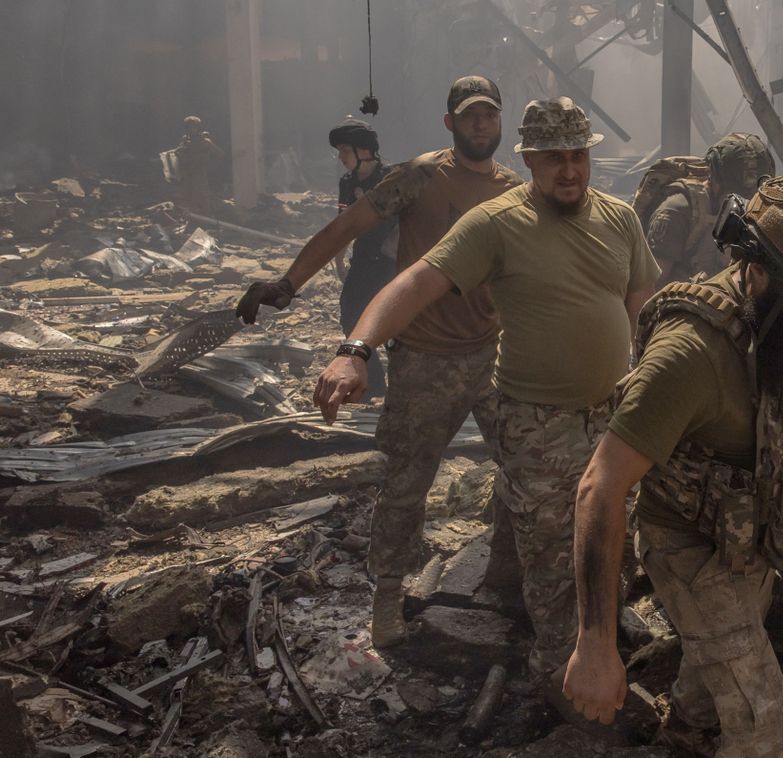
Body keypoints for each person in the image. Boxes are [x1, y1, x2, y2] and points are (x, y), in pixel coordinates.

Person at [311, 96, 660, 692]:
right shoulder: (498, 222)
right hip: (535, 420)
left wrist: (645, 374)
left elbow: (640, 304)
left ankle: (592, 623)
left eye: (578, 155)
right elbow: (415, 282)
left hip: (608, 415)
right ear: (528, 159)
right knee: (552, 548)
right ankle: (557, 666)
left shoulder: (618, 218)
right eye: (554, 158)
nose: (569, 169)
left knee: (611, 528)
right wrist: (356, 350)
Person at [563, 172, 783, 756]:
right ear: (758, 272)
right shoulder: (690, 354)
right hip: (689, 544)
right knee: (763, 723)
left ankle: (685, 731)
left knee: (720, 662)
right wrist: (595, 645)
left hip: (751, 533)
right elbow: (600, 488)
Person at [235, 75, 521, 648]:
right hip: (424, 359)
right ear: (451, 124)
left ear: (500, 121)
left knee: (527, 472)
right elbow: (346, 227)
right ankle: (387, 601)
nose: (480, 124)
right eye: (469, 116)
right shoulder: (420, 175)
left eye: (488, 114)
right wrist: (289, 282)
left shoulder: (515, 189)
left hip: (494, 356)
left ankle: (508, 580)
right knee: (406, 488)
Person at [645, 133, 775, 283]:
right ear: (714, 180)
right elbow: (651, 287)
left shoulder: (755, 209)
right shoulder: (676, 211)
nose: (744, 203)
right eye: (736, 193)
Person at [329, 118, 397, 397]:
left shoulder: (391, 178)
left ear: (363, 151)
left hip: (393, 260)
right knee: (351, 315)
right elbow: (343, 221)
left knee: (397, 324)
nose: (341, 157)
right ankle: (374, 384)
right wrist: (339, 259)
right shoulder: (347, 182)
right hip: (364, 258)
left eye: (345, 150)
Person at [175, 116, 223, 212]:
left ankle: (206, 218)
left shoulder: (204, 142)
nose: (191, 130)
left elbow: (219, 154)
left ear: (198, 128)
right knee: (189, 199)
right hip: (188, 174)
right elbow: (178, 154)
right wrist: (180, 153)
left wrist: (207, 160)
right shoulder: (185, 142)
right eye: (189, 128)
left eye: (193, 127)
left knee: (203, 198)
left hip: (200, 173)